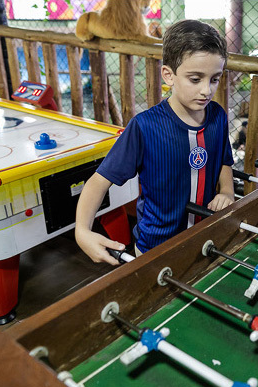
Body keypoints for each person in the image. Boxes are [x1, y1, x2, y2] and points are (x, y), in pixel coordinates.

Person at [75, 19, 234, 264]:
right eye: (195, 79)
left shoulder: (218, 116)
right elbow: (98, 182)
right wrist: (82, 231)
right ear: (169, 75)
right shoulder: (145, 126)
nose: (206, 90)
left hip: (206, 237)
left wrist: (227, 191)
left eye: (214, 79)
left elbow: (224, 160)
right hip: (155, 248)